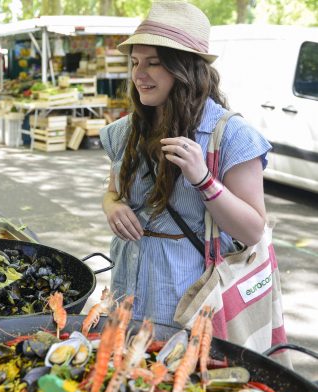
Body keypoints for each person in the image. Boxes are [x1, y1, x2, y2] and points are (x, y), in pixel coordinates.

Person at [100, 0, 271, 328]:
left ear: (184, 68)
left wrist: (204, 179)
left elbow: (253, 230)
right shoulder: (127, 130)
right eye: (135, 62)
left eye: (153, 63)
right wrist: (112, 206)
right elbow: (112, 192)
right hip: (126, 291)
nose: (139, 74)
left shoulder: (230, 135)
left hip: (187, 302)